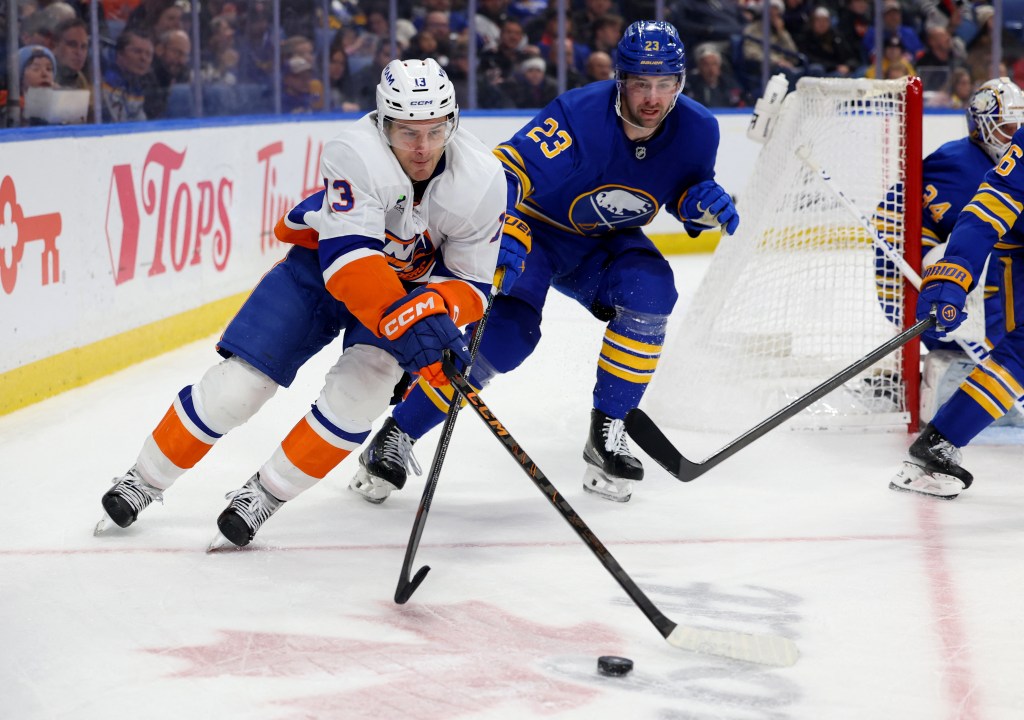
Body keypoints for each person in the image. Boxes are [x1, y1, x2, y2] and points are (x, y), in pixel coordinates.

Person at [95, 58, 509, 548]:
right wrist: (414, 321)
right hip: (321, 271)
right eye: (407, 132)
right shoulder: (355, 152)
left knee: (362, 396)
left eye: (435, 131)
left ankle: (264, 495)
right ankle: (144, 479)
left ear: (453, 123)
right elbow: (351, 262)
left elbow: (471, 283)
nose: (422, 147)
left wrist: (437, 311)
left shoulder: (483, 179)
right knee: (239, 387)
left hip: (407, 291)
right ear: (382, 123)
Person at [350, 20, 738, 505]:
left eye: (664, 84)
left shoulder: (699, 129)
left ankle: (608, 432)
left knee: (652, 289)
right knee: (506, 337)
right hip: (536, 233)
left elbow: (680, 189)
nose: (652, 98)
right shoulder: (579, 117)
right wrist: (503, 223)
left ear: (680, 82)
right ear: (620, 79)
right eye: (641, 83)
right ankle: (397, 434)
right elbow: (504, 170)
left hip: (605, 241)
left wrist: (697, 205)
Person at [889, 77, 1024, 499]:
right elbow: (990, 206)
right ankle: (940, 441)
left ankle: (940, 440)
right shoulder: (960, 162)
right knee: (1019, 352)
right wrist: (954, 271)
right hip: (1012, 255)